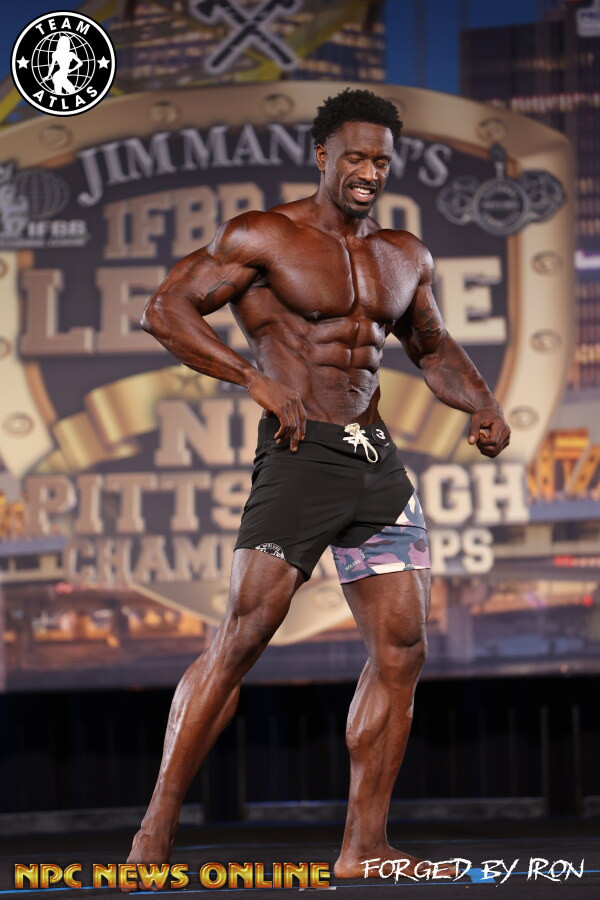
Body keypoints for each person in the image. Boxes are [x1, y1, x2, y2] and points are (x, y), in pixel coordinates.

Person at [124, 88, 510, 885]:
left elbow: (431, 347)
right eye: (356, 157)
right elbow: (166, 311)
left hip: (376, 464)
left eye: (382, 161)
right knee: (242, 638)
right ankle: (154, 832)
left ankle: (365, 847)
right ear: (322, 155)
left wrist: (482, 403)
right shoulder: (264, 235)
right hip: (301, 456)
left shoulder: (404, 254)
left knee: (402, 649)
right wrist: (252, 379)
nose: (370, 171)